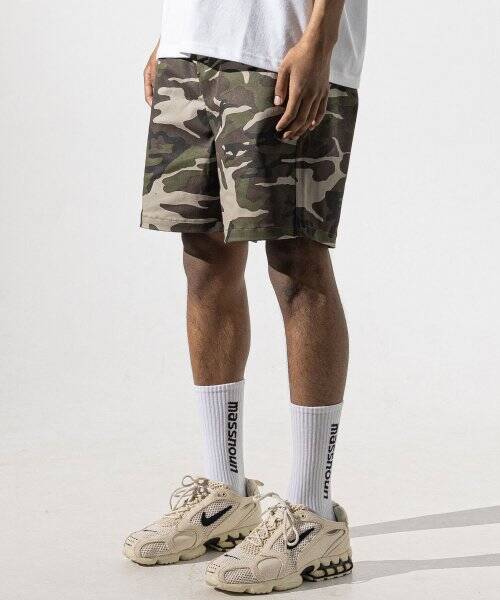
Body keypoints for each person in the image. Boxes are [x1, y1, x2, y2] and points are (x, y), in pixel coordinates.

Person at [124, 0, 367, 593]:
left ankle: (312, 512)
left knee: (296, 263)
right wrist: (172, 34)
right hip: (191, 49)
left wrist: (320, 40)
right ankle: (224, 492)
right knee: (204, 258)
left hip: (282, 50)